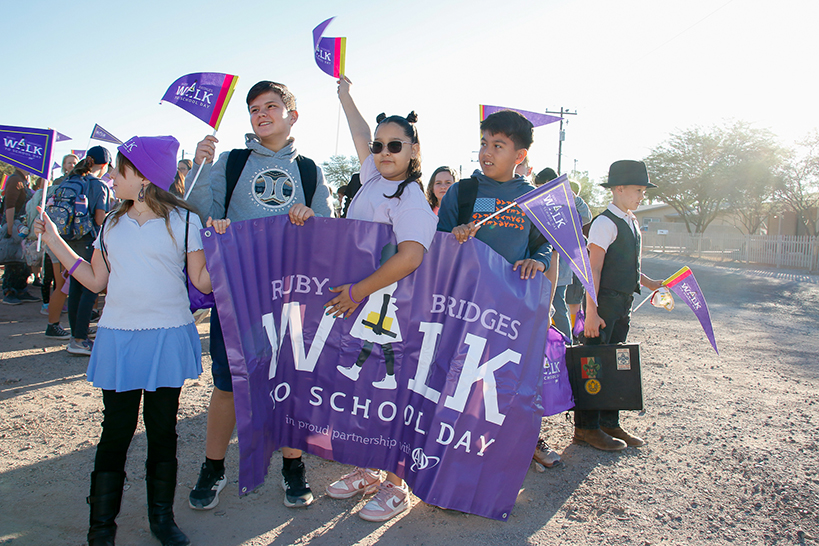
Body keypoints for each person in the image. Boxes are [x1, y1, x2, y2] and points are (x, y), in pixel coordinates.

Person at [34, 135, 214, 546]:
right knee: (115, 431)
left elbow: (202, 280)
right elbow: (96, 280)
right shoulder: (111, 224)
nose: (113, 178)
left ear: (145, 177)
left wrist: (228, 249)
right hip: (119, 337)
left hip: (167, 336)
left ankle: (162, 520)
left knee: (162, 430)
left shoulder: (185, 221)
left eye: (121, 170)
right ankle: (101, 528)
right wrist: (54, 242)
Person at [185, 80, 333, 511]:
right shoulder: (229, 162)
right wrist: (198, 166)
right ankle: (213, 467)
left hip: (290, 300)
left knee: (289, 381)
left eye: (271, 106)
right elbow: (200, 212)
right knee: (229, 384)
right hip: (237, 294)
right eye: (253, 109)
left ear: (292, 115)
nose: (261, 114)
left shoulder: (309, 170)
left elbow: (325, 232)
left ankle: (293, 467)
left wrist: (310, 217)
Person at [317, 75, 437, 522]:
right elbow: (358, 133)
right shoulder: (371, 179)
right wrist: (346, 96)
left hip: (391, 313)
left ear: (413, 152)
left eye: (395, 146)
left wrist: (356, 291)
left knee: (392, 395)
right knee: (361, 391)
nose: (384, 152)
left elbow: (410, 258)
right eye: (380, 145)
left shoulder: (412, 201)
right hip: (362, 308)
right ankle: (369, 469)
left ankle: (396, 486)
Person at [437, 110, 556, 470]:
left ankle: (524, 441)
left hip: (512, 310)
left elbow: (544, 246)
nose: (486, 152)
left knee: (509, 380)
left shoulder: (534, 198)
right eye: (484, 144)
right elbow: (439, 243)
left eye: (498, 146)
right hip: (465, 307)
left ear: (519, 156)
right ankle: (456, 452)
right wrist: (454, 237)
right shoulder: (464, 190)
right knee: (463, 380)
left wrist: (538, 261)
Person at [575, 160, 663, 451]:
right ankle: (586, 428)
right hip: (603, 305)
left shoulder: (631, 221)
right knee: (594, 366)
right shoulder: (604, 223)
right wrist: (591, 312)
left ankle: (609, 423)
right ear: (619, 189)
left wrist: (649, 283)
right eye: (638, 190)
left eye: (643, 191)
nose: (642, 196)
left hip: (623, 304)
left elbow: (625, 264)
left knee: (615, 365)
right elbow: (594, 270)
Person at [55, 147, 111, 356]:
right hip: (89, 240)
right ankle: (80, 339)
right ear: (104, 165)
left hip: (68, 240)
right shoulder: (99, 185)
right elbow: (99, 219)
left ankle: (76, 335)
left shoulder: (70, 179)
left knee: (75, 289)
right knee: (90, 288)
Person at [533, 168, 592, 339]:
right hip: (541, 262)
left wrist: (571, 197)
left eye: (542, 186)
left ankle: (566, 345)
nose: (539, 190)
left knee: (558, 306)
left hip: (560, 266)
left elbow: (586, 217)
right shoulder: (537, 202)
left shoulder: (564, 201)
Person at [2, 167, 39, 305]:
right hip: (15, 225)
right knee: (13, 259)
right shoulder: (15, 180)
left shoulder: (23, 180)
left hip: (22, 226)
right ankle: (9, 291)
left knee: (22, 260)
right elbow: (9, 206)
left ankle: (21, 289)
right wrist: (10, 228)